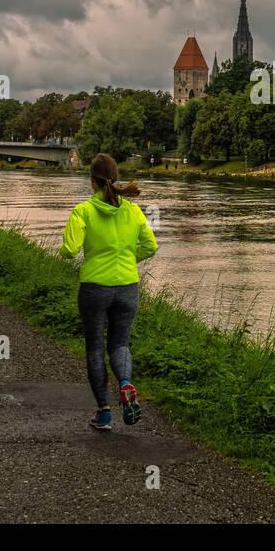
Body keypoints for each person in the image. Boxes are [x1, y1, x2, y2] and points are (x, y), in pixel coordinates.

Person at [59, 153, 158, 432]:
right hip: (127, 286)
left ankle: (103, 413)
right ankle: (126, 384)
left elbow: (68, 251)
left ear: (92, 182)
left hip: (94, 288)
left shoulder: (83, 211)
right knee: (120, 344)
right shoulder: (134, 211)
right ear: (116, 178)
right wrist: (127, 259)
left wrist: (68, 246)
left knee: (95, 348)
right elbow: (151, 247)